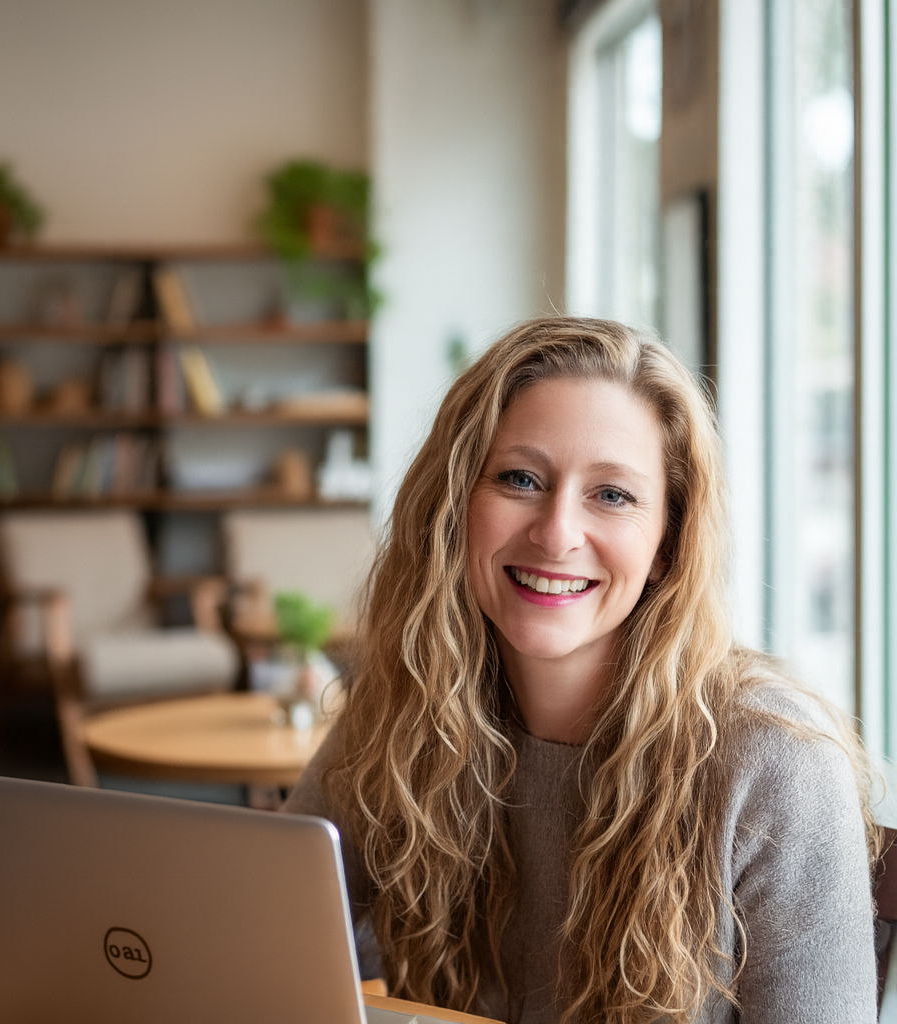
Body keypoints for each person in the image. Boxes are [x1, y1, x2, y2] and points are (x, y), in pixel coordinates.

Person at [284, 317, 880, 1024]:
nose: (557, 532)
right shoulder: (407, 712)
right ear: (454, 510)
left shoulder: (774, 757)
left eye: (613, 495)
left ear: (667, 542)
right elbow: (268, 932)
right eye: (520, 479)